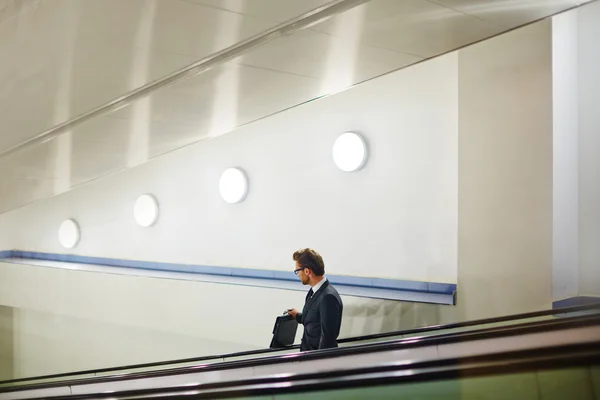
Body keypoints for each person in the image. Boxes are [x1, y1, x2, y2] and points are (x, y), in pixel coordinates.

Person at [287, 248, 343, 351]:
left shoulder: (328, 297)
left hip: (316, 361)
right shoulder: (313, 292)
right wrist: (298, 316)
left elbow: (327, 339)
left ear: (307, 271)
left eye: (297, 271)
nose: (298, 275)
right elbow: (315, 321)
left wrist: (317, 363)